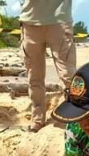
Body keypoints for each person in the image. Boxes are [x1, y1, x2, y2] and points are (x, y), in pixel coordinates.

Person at [18, 0, 77, 132]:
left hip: (59, 20)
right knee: (34, 77)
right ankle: (37, 120)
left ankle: (75, 117)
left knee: (68, 75)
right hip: (30, 21)